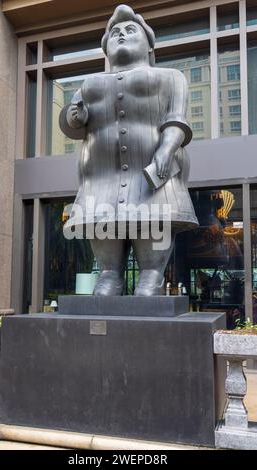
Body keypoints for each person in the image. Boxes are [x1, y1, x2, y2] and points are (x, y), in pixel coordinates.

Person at [60, 4, 198, 296]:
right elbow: (73, 123)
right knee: (102, 223)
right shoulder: (88, 84)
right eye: (115, 33)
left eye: (130, 30)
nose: (121, 35)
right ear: (107, 49)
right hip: (100, 174)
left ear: (149, 47)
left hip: (151, 170)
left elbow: (177, 120)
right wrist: (75, 116)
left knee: (153, 219)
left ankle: (152, 275)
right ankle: (109, 273)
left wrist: (167, 147)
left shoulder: (171, 77)